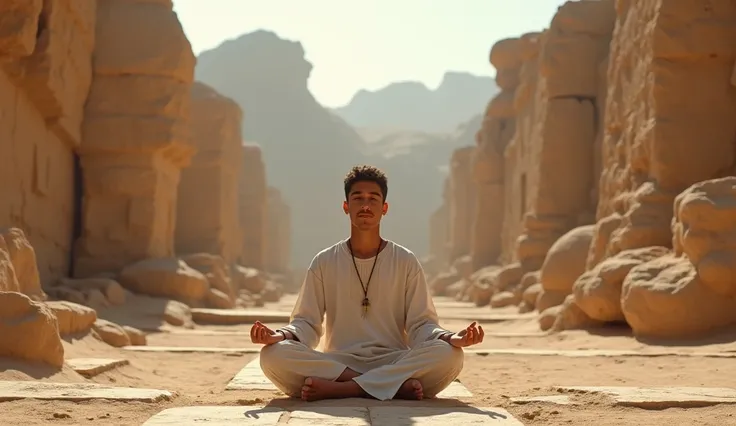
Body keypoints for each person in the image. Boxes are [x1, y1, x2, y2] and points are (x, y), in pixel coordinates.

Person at [250, 165, 484, 402]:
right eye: (357, 198)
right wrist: (278, 336)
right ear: (345, 207)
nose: (365, 205)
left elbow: (421, 324)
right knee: (272, 355)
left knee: (450, 355)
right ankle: (389, 386)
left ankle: (347, 389)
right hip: (340, 362)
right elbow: (306, 323)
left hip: (392, 360)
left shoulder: (405, 261)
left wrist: (451, 339)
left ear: (384, 208)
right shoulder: (324, 261)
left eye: (373, 199)